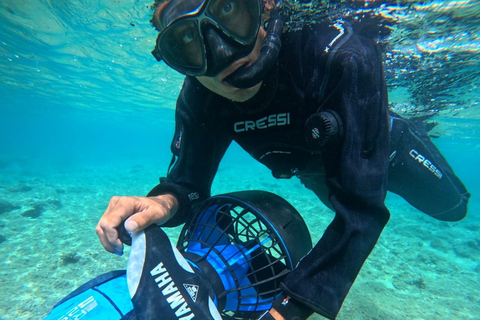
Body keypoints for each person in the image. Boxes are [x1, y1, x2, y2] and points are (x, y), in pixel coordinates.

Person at [96, 0, 470, 319]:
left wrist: (289, 309)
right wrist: (161, 202)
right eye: (187, 41)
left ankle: (408, 121)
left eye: (228, 10)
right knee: (337, 195)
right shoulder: (200, 96)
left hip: (383, 152)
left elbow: (361, 211)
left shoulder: (340, 55)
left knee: (453, 207)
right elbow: (188, 186)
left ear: (265, 6)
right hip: (316, 169)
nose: (223, 53)